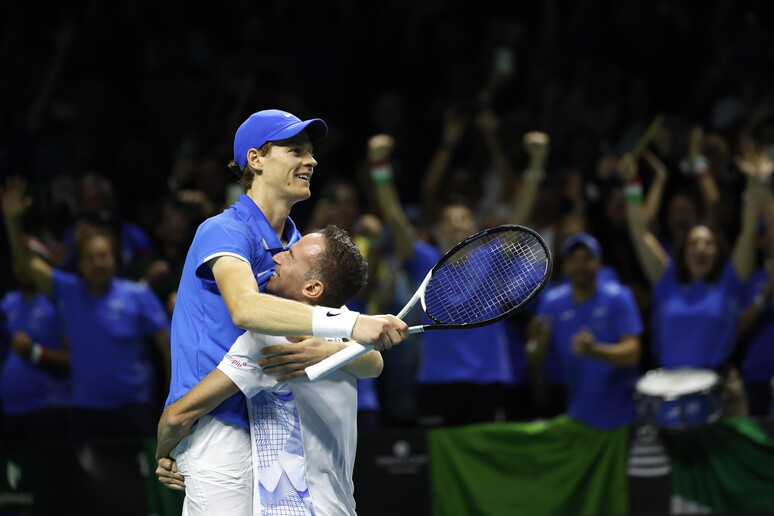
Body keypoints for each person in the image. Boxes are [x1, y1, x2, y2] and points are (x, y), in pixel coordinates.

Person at [163, 110, 409, 512]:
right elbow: (245, 308)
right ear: (256, 159)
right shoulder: (225, 230)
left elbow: (372, 361)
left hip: (275, 432)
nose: (311, 161)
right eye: (296, 150)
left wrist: (331, 350)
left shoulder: (297, 247)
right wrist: (353, 325)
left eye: (311, 153)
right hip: (217, 421)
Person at [156, 226, 380, 515]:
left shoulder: (271, 339)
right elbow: (375, 362)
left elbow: (178, 416)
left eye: (291, 256)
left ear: (312, 288)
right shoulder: (347, 327)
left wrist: (164, 453)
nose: (277, 258)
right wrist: (334, 351)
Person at [1, 176, 171, 443]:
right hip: (86, 413)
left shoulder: (138, 295)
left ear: (115, 259)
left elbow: (167, 347)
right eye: (90, 257)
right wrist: (12, 221)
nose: (98, 262)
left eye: (103, 255)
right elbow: (27, 263)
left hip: (134, 410)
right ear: (79, 263)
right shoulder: (68, 293)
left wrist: (173, 402)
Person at [368, 133, 513, 426]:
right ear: (437, 229)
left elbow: (519, 211)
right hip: (438, 377)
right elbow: (396, 219)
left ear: (476, 226)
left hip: (488, 377)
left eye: (465, 218)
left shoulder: (494, 257)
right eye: (450, 219)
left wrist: (536, 163)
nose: (458, 223)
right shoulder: (424, 259)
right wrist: (380, 166)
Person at [619, 145, 763, 417]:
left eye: (708, 243)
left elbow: (747, 233)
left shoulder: (730, 285)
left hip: (721, 394)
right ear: (683, 252)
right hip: (669, 393)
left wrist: (755, 184)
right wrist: (632, 182)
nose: (700, 248)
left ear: (717, 252)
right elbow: (639, 232)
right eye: (694, 243)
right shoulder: (667, 283)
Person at [526, 232, 643, 429]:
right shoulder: (551, 303)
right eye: (574, 260)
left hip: (621, 415)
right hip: (572, 414)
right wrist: (536, 345)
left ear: (599, 263)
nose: (580, 266)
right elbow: (535, 359)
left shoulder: (619, 297)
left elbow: (633, 352)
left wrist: (595, 351)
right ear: (565, 266)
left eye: (587, 259)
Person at [0, 236, 70, 446]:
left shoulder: (57, 303)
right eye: (16, 261)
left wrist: (34, 352)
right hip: (11, 410)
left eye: (26, 261)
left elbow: (75, 358)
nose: (21, 267)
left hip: (49, 409)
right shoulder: (8, 303)